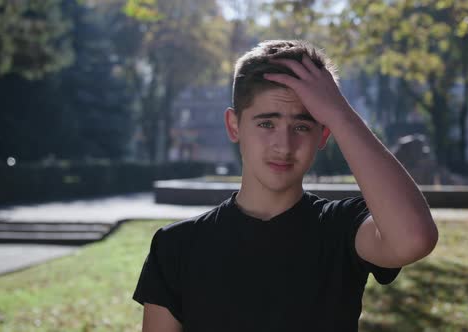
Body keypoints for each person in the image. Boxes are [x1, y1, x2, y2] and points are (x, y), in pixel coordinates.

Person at [133, 40, 438, 332]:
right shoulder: (176, 247)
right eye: (267, 123)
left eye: (302, 127)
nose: (284, 145)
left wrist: (340, 113)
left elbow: (414, 239)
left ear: (323, 134)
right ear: (234, 125)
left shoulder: (343, 230)